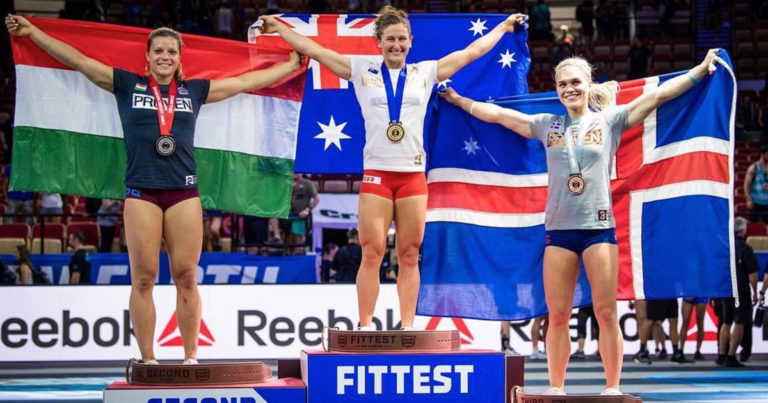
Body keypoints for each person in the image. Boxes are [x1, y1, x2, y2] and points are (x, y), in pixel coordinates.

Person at [6, 14, 303, 364]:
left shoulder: (194, 91)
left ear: (179, 58)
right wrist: (34, 33)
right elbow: (79, 61)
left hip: (183, 193)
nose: (165, 56)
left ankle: (191, 359)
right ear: (147, 56)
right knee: (144, 280)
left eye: (171, 51)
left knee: (186, 277)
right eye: (159, 50)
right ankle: (148, 360)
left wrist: (289, 67)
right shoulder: (126, 85)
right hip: (141, 192)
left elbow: (244, 82)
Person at [440, 48, 722, 395]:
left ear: (589, 84)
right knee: (558, 315)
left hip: (598, 230)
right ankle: (556, 387)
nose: (568, 89)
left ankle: (612, 388)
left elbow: (658, 96)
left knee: (606, 313)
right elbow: (499, 115)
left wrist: (700, 69)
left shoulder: (610, 120)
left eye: (575, 82)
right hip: (559, 232)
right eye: (562, 84)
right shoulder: (547, 125)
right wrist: (459, 100)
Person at [258, 7, 526, 330]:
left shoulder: (426, 72)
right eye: (389, 39)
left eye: (401, 39)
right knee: (371, 253)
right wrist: (279, 28)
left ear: (410, 41)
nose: (396, 45)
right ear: (379, 42)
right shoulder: (360, 70)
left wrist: (504, 27)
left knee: (409, 254)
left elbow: (471, 52)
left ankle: (408, 325)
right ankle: (365, 325)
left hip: (412, 177)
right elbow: (316, 50)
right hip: (377, 176)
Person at [716, 216, 758, 367]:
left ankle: (721, 354)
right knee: (740, 322)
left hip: (725, 288)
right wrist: (755, 291)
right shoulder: (745, 248)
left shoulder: (724, 246)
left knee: (726, 322)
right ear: (742, 230)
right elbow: (752, 274)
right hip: (740, 289)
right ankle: (731, 355)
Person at [744, 145, 768, 223]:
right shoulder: (753, 168)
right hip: (755, 202)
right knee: (753, 224)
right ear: (763, 154)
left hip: (767, 203)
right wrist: (748, 200)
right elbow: (746, 185)